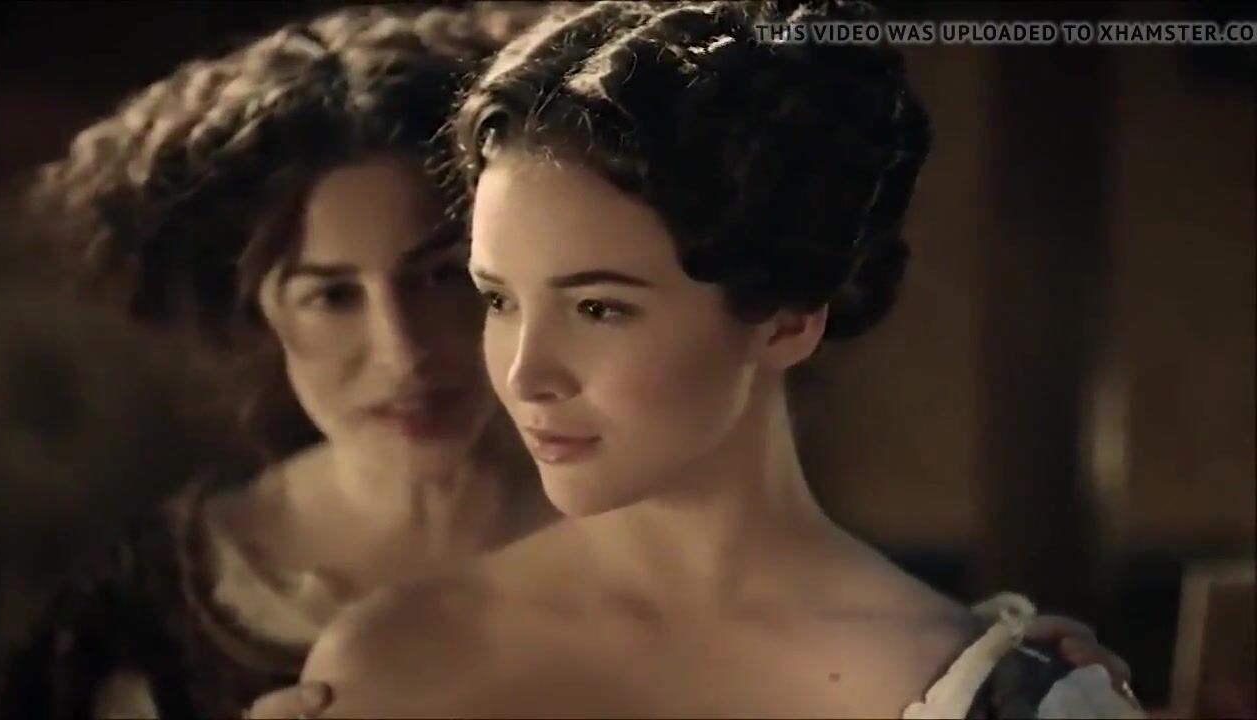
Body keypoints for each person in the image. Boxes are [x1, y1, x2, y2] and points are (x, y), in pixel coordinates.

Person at [293, 2, 1147, 717]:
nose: (525, 374)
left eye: (598, 308)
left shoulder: (981, 688)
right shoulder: (390, 660)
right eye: (498, 300)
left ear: (784, 319)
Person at [0, 5, 556, 719]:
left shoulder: (650, 525)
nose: (402, 351)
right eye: (332, 296)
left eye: (439, 276)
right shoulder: (152, 611)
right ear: (258, 310)